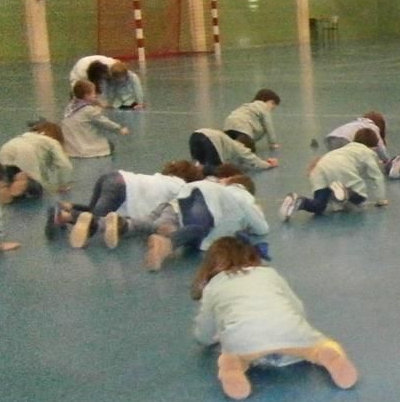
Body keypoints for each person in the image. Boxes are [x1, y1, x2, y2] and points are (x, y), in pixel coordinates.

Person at [191, 237, 358, 401]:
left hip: (243, 340)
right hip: (291, 331)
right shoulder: (269, 273)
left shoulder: (212, 286)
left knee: (230, 357)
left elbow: (203, 333)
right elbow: (297, 306)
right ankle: (333, 360)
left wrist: (212, 338)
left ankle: (232, 372)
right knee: (320, 346)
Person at [54, 159, 205, 249]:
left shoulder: (161, 178)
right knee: (96, 219)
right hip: (121, 188)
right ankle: (67, 216)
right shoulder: (180, 186)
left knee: (93, 212)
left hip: (115, 176)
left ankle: (68, 208)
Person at [144, 173, 268, 272]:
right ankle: (167, 243)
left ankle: (171, 238)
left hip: (190, 191)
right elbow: (262, 228)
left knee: (198, 231)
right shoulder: (243, 194)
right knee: (202, 228)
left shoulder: (222, 187)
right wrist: (257, 212)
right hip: (209, 196)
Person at [280, 127, 388, 221]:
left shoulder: (346, 148)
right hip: (343, 167)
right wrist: (380, 200)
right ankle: (346, 192)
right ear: (372, 146)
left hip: (321, 166)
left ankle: (298, 201)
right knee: (361, 198)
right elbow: (377, 177)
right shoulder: (367, 152)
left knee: (319, 206)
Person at [0, 122, 72, 203]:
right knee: (35, 188)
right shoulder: (52, 141)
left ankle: (5, 187)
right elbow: (64, 165)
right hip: (26, 152)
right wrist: (63, 184)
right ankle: (21, 185)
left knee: (6, 178)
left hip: (6, 148)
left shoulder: (25, 136)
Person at [62, 80, 128, 158]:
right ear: (87, 95)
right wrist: (119, 129)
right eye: (93, 93)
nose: (95, 95)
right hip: (85, 149)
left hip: (71, 148)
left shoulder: (70, 107)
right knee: (110, 145)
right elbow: (104, 123)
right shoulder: (89, 110)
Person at [188, 127, 277, 175]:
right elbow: (251, 158)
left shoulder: (227, 140)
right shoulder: (238, 146)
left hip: (195, 135)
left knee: (198, 164)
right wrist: (268, 164)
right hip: (209, 139)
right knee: (217, 169)